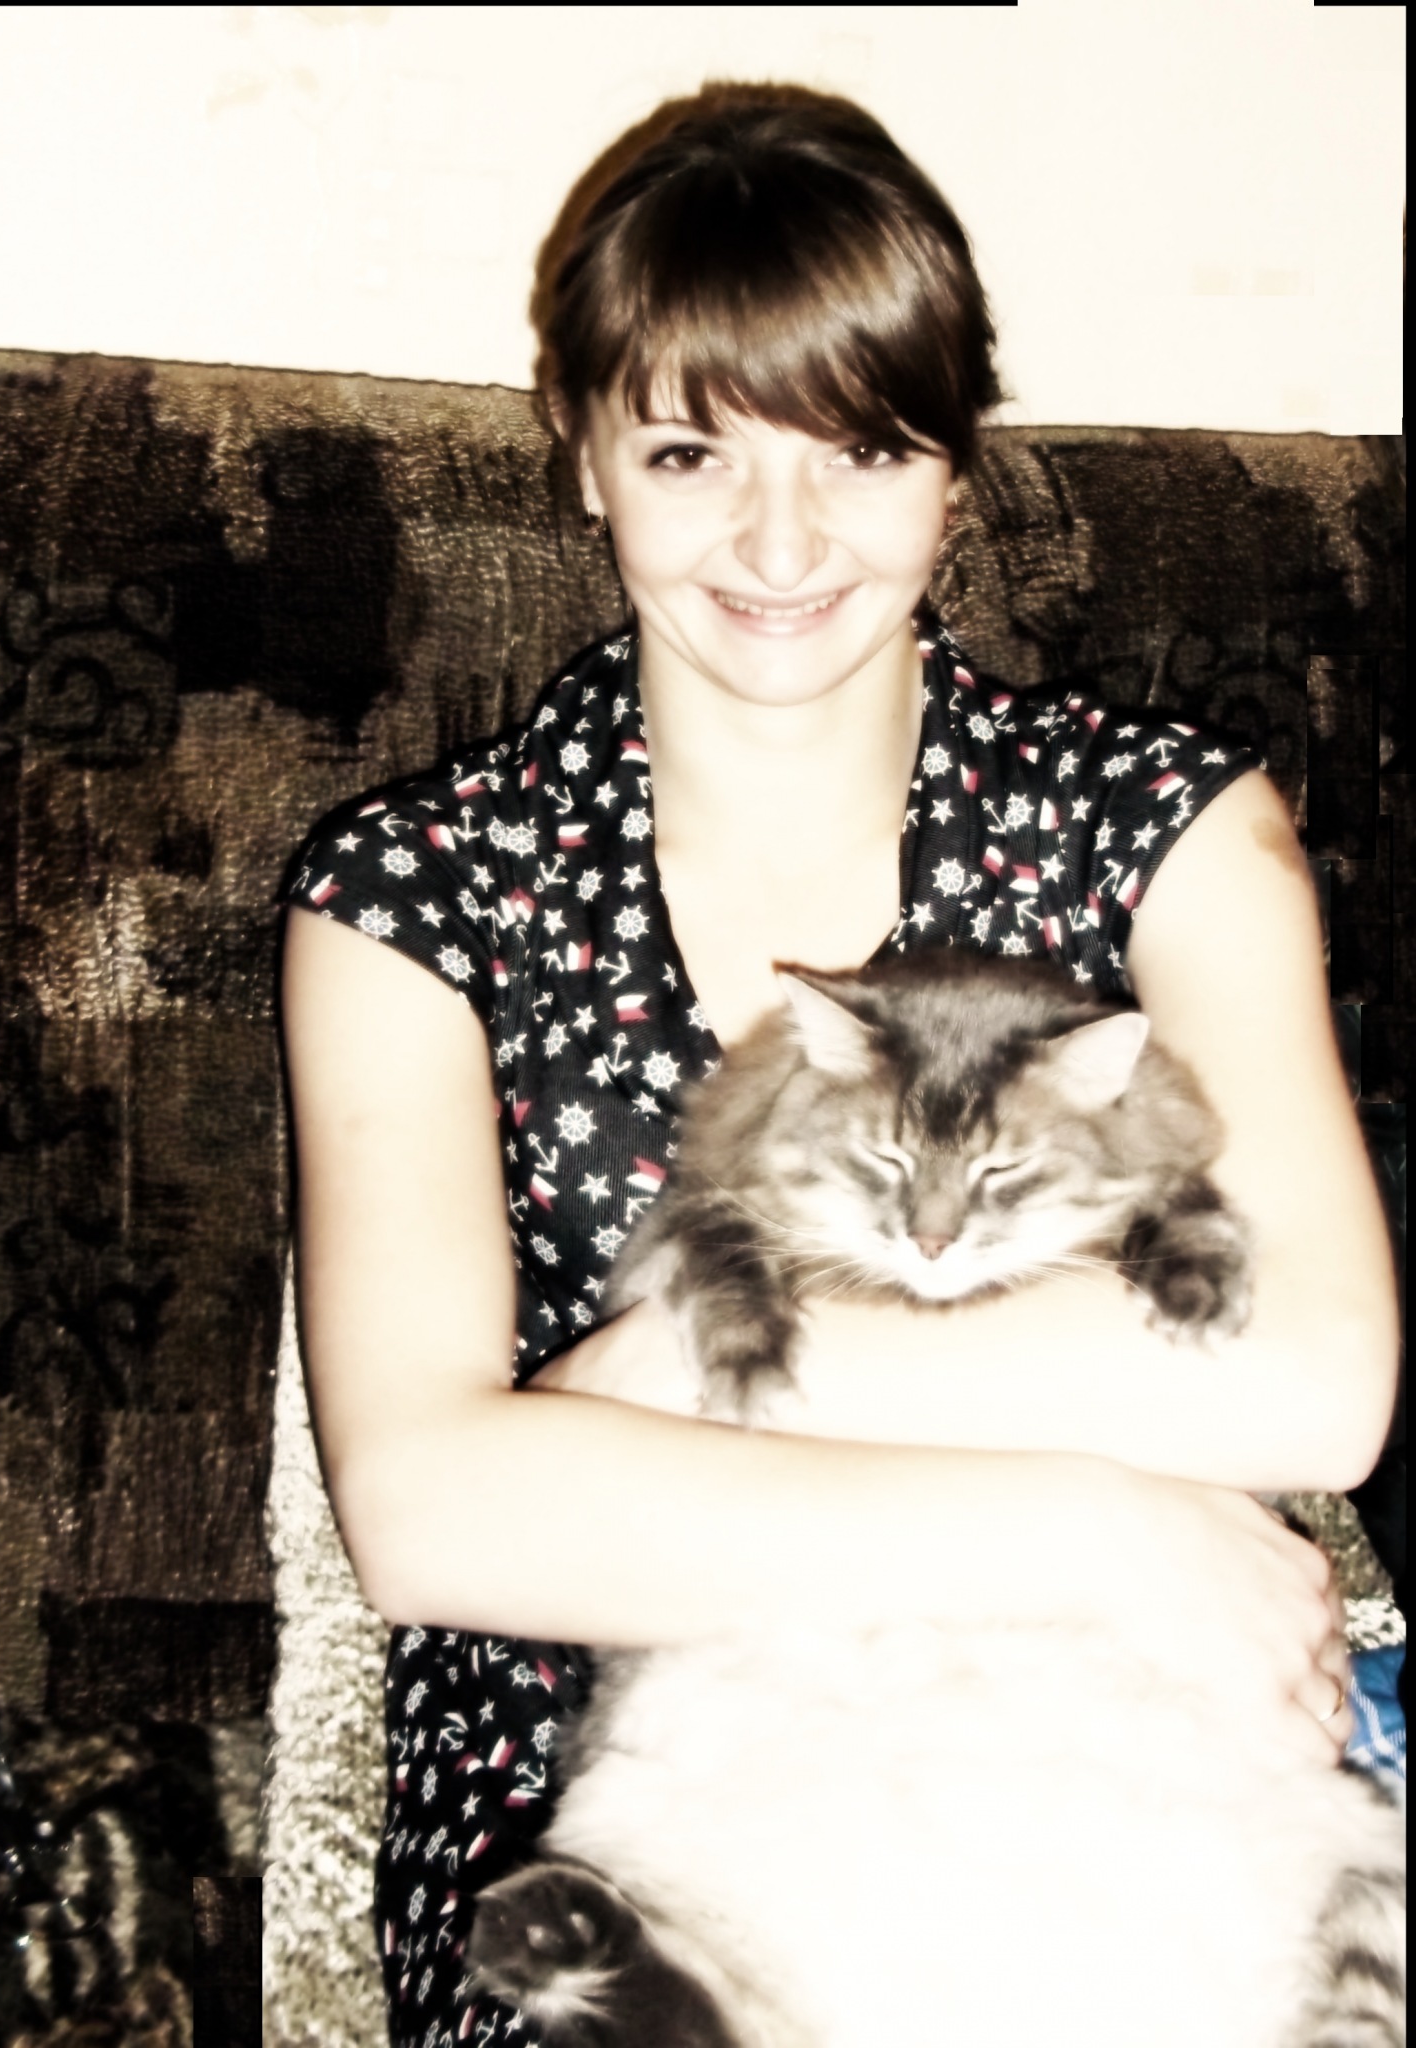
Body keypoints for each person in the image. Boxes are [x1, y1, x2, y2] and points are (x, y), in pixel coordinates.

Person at [280, 84, 1398, 2045]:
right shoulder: (410, 898)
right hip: (643, 1811)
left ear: (954, 471)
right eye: (691, 451)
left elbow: (1313, 1372)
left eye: (862, 451)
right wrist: (1095, 1520)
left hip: (1116, 1750)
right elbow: (434, 1515)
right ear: (583, 455)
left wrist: (674, 1373)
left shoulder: (1167, 835)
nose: (780, 541)